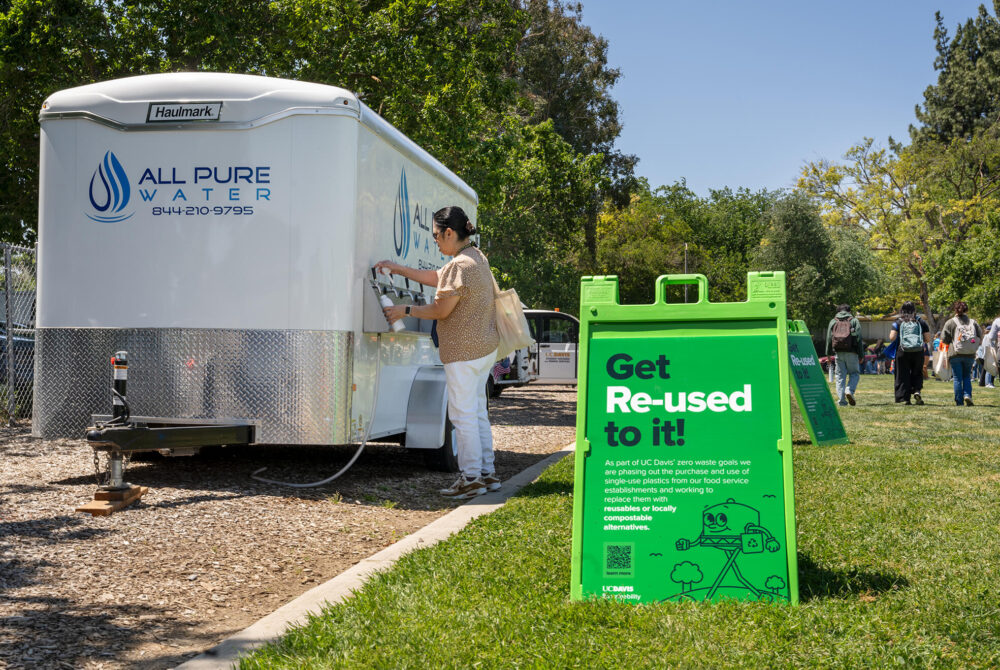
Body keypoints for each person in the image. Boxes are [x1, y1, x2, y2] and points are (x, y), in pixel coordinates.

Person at [375, 206, 500, 499]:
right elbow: (438, 278)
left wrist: (403, 309)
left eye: (436, 236)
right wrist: (399, 269)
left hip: (463, 352)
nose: (435, 242)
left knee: (462, 414)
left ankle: (470, 477)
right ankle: (487, 473)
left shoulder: (459, 265)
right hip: (483, 350)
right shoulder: (476, 258)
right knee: (478, 411)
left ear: (449, 232)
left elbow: (441, 309)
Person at [941, 300, 983, 406]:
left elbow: (944, 339)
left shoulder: (950, 322)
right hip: (970, 354)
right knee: (967, 376)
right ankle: (967, 395)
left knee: (957, 378)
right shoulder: (973, 322)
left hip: (955, 354)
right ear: (966, 309)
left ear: (955, 309)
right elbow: (980, 336)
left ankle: (959, 401)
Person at [889, 302, 931, 405]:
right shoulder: (921, 321)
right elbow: (927, 339)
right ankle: (917, 390)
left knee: (902, 374)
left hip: (902, 351)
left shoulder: (898, 322)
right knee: (917, 372)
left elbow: (892, 337)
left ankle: (904, 398)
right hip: (918, 351)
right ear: (914, 310)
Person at [824, 304, 864, 406]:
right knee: (854, 374)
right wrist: (861, 354)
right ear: (849, 311)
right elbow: (859, 338)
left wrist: (828, 354)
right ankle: (849, 390)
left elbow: (829, 338)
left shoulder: (833, 321)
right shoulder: (854, 321)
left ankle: (841, 401)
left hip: (838, 352)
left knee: (840, 376)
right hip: (852, 352)